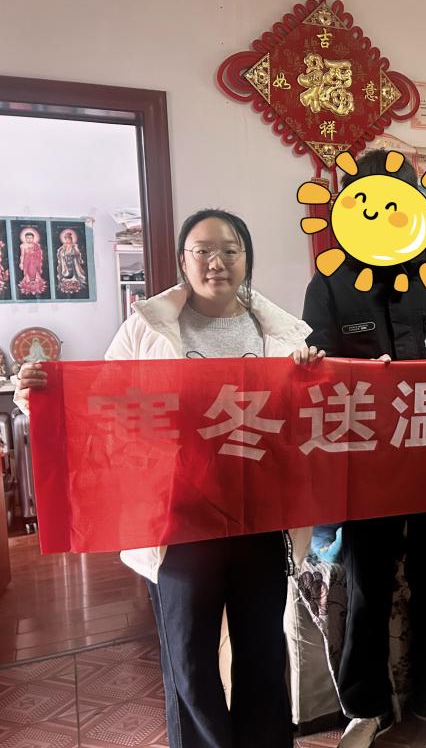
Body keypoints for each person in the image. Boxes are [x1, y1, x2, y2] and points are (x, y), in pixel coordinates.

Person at [15, 208, 321, 748]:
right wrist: (38, 399)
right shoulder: (146, 328)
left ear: (247, 258)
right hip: (178, 521)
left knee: (263, 654)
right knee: (190, 662)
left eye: (230, 250)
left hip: (260, 519)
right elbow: (99, 405)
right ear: (183, 260)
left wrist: (313, 375)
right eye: (203, 250)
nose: (216, 262)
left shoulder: (283, 333)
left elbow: (309, 420)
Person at [301, 149, 426, 748]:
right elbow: (314, 364)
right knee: (368, 583)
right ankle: (365, 706)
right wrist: (335, 366)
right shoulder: (331, 281)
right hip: (366, 462)